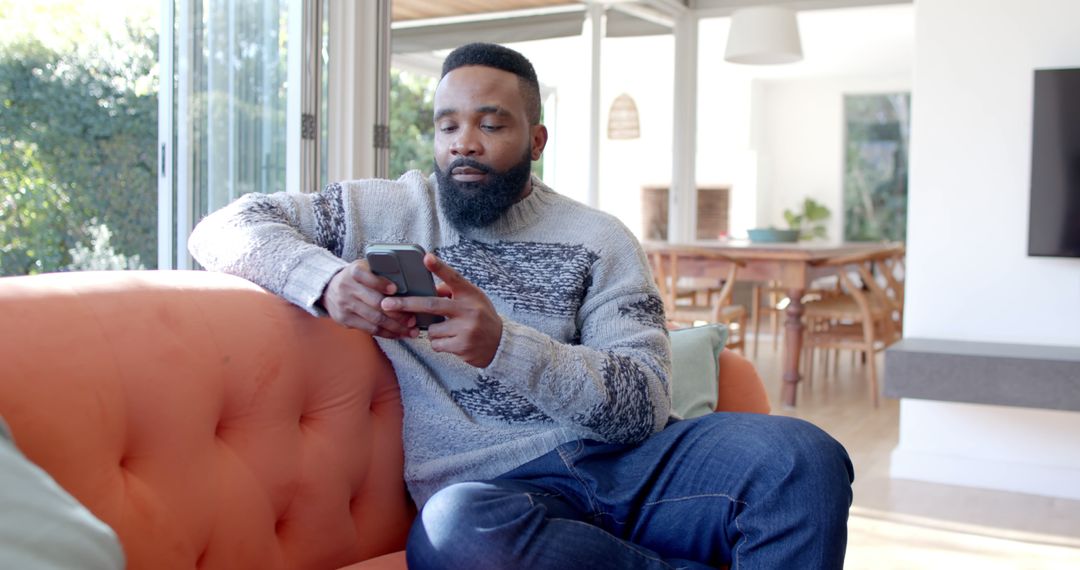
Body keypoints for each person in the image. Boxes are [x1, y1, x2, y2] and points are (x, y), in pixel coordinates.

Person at [189, 42, 853, 569]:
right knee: (453, 535)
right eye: (447, 125)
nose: (464, 143)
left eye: (490, 123)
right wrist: (327, 282)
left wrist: (505, 347)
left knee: (803, 457)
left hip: (632, 468)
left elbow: (644, 404)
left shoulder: (599, 239)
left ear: (536, 141)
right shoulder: (386, 209)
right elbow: (222, 227)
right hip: (500, 491)